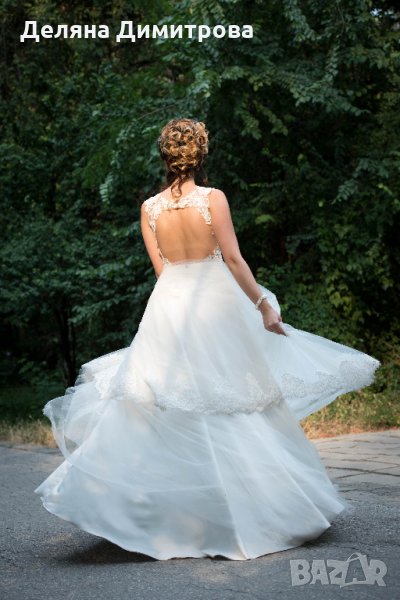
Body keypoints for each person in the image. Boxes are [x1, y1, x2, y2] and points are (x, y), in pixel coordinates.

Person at [34, 118, 380, 561]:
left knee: (166, 402)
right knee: (231, 398)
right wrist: (262, 305)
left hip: (168, 306)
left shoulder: (149, 208)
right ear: (200, 156)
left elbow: (162, 271)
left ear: (166, 157)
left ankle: (163, 517)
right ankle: (253, 512)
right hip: (214, 302)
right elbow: (232, 259)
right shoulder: (213, 198)